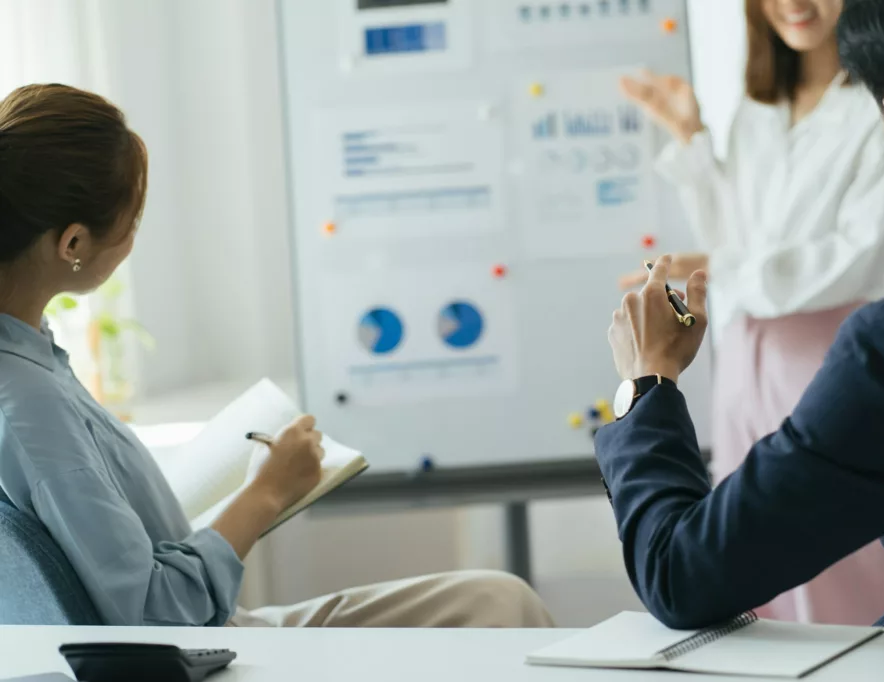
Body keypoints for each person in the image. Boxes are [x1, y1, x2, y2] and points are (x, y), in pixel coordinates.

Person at [0, 84, 553, 628]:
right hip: (201, 655)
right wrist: (267, 492)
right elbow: (157, 612)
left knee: (496, 598)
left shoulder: (30, 360)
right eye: (133, 219)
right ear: (73, 244)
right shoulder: (33, 408)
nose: (134, 236)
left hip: (213, 632)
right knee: (499, 606)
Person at [596, 0, 884, 628]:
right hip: (751, 357)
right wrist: (692, 144)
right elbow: (740, 232)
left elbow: (681, 573)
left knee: (826, 587)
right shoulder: (762, 109)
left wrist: (646, 384)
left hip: (822, 357)